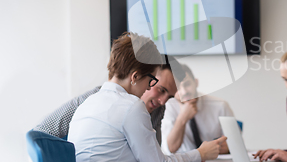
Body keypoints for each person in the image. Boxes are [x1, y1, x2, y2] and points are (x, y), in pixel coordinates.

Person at [68, 32, 226, 162]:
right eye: (151, 80)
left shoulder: (87, 104)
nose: (148, 87)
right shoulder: (131, 107)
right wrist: (200, 154)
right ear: (135, 76)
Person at [34, 55, 179, 145]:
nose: (163, 101)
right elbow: (41, 132)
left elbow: (154, 156)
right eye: (161, 90)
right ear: (139, 76)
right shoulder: (92, 101)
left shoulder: (157, 110)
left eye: (170, 96)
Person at [162, 63, 233, 154]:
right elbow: (170, 149)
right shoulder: (166, 107)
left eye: (187, 84)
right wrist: (182, 118)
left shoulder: (220, 105)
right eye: (178, 87)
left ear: (196, 83)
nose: (184, 92)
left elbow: (235, 145)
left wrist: (229, 147)